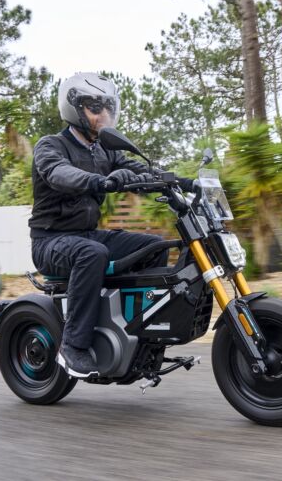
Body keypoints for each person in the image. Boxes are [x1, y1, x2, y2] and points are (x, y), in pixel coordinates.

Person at [28, 72, 191, 378]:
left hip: (88, 235)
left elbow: (143, 172)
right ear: (74, 109)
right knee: (92, 254)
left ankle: (138, 333)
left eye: (107, 108)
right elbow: (59, 174)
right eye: (95, 108)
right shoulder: (50, 146)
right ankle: (74, 346)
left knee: (154, 246)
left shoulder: (105, 150)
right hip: (50, 241)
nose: (104, 115)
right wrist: (101, 182)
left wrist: (185, 182)